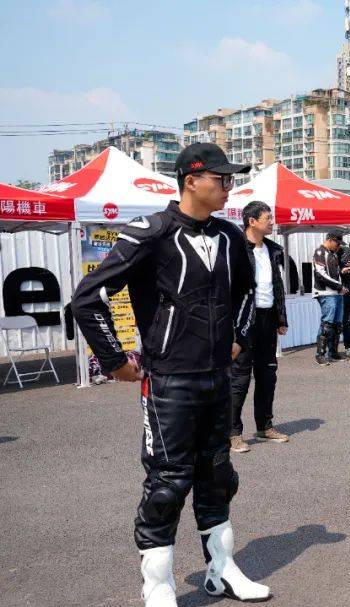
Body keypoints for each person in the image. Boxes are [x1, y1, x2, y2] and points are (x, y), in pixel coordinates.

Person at [71, 142, 270, 605]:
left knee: (218, 475)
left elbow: (248, 292)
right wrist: (114, 360)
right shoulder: (151, 232)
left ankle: (222, 570)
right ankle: (158, 586)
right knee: (167, 483)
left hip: (217, 377)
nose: (229, 187)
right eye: (221, 179)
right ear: (191, 181)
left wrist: (238, 337)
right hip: (168, 382)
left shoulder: (229, 236)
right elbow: (88, 297)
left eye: (231, 179)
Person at [229, 201, 290, 453]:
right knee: (240, 378)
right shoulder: (235, 248)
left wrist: (281, 318)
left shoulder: (273, 250)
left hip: (267, 319)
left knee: (267, 375)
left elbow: (278, 286)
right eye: (267, 218)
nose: (272, 222)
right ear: (252, 221)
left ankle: (265, 426)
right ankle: (233, 433)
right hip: (244, 322)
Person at [313, 232, 349, 365]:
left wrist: (341, 273)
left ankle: (333, 353)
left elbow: (332, 274)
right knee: (327, 324)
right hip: (325, 293)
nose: (338, 246)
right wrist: (339, 286)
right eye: (337, 243)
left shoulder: (332, 254)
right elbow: (321, 274)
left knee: (337, 325)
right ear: (330, 240)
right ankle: (320, 355)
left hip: (336, 293)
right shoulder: (320, 252)